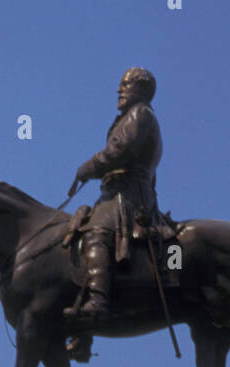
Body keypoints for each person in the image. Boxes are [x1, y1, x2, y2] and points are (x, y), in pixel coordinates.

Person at [64, 67, 164, 325]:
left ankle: (98, 302)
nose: (119, 90)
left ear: (141, 90)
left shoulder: (140, 114)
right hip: (115, 192)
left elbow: (121, 150)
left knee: (97, 232)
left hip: (129, 194)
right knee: (78, 229)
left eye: (125, 84)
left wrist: (90, 166)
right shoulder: (129, 116)